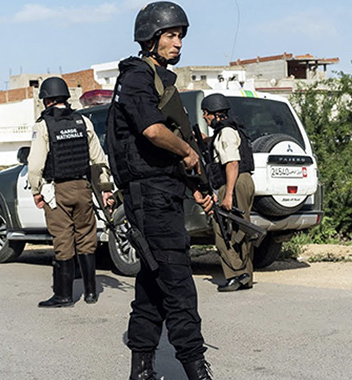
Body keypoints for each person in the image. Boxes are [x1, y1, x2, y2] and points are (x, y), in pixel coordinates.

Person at [105, 2, 214, 379]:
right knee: (179, 284)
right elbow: (152, 131)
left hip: (162, 193)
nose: (178, 43)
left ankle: (142, 369)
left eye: (180, 35)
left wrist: (196, 185)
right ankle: (196, 370)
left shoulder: (159, 79)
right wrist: (187, 152)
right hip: (148, 197)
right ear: (150, 38)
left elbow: (163, 147)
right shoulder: (137, 78)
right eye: (170, 35)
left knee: (152, 286)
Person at [28, 76, 113, 308]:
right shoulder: (83, 121)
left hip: (57, 190)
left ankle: (64, 296)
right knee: (86, 237)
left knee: (63, 239)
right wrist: (105, 189)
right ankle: (91, 293)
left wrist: (36, 190)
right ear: (65, 97)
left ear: (46, 100)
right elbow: (98, 159)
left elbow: (35, 165)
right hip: (84, 188)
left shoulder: (43, 125)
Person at [201, 94, 256, 292]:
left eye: (205, 115)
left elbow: (232, 163)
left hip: (234, 182)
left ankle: (235, 274)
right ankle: (245, 276)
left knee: (222, 229)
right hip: (244, 181)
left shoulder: (224, 132)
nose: (205, 119)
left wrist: (228, 194)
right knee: (241, 228)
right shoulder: (234, 130)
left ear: (210, 114)